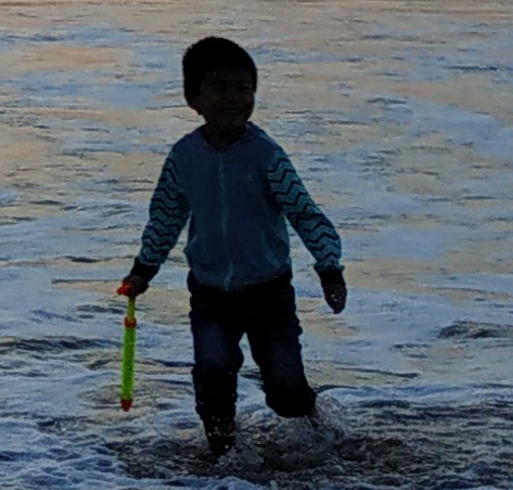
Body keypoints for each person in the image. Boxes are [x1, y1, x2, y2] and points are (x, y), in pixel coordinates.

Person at [116, 34, 345, 456]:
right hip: (210, 291)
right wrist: (143, 270)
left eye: (244, 88)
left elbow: (304, 212)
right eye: (220, 88)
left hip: (268, 289)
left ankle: (321, 427)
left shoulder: (266, 155)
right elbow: (166, 217)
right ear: (193, 99)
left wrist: (329, 268)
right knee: (213, 372)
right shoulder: (184, 157)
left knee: (285, 389)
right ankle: (221, 457)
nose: (235, 99)